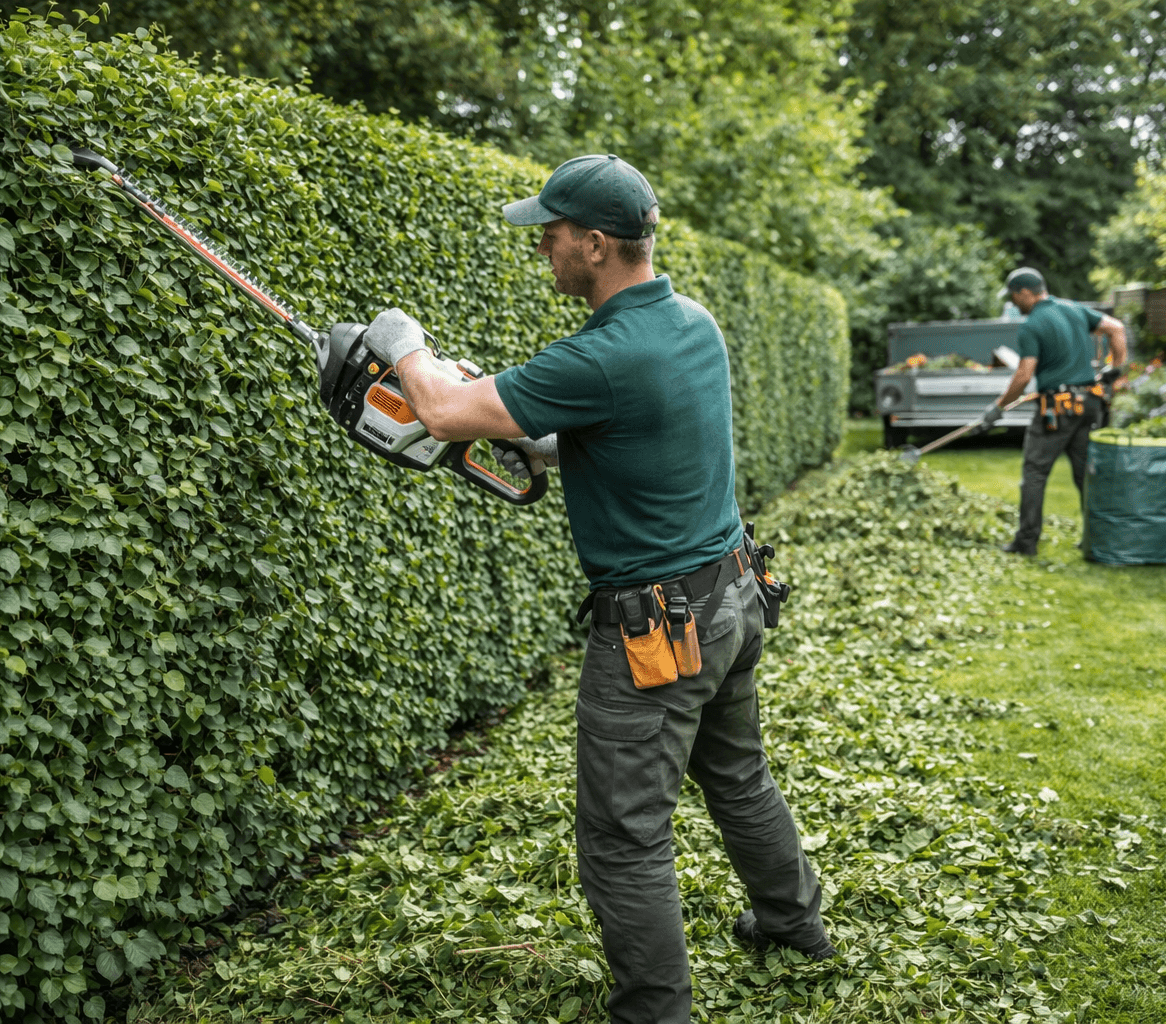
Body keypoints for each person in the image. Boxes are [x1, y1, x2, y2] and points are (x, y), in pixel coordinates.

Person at [355, 154, 834, 1024]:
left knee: (623, 840)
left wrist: (401, 341)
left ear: (599, 244)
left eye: (553, 233)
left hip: (656, 635)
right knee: (738, 778)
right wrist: (547, 442)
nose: (542, 244)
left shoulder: (600, 355)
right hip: (733, 599)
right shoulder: (692, 322)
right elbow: (645, 430)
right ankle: (793, 924)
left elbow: (444, 412)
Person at [981, 267, 1128, 555]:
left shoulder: (1033, 326)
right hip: (1089, 404)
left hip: (1057, 409)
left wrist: (997, 409)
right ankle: (1097, 538)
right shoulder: (1074, 309)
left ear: (1026, 293)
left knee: (1035, 472)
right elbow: (1117, 328)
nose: (1013, 304)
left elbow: (1023, 376)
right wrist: (1116, 370)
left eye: (1014, 297)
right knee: (1085, 473)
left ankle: (1026, 542)